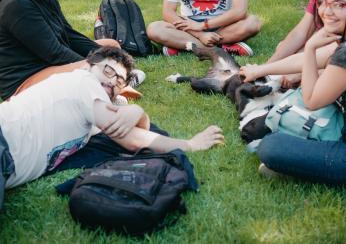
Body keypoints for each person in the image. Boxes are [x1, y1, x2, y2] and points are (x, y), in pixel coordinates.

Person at [0, 46, 224, 209]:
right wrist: (190, 144)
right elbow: (130, 139)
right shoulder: (83, 82)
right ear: (89, 66)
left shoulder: (90, 112)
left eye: (119, 81)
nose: (112, 82)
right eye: (108, 71)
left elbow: (136, 131)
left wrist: (139, 112)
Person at [243, 0, 346, 189]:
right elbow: (308, 61)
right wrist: (261, 69)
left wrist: (310, 47)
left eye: (339, 5)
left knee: (271, 147)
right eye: (323, 3)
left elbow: (312, 100)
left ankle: (303, 171)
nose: (327, 11)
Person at [0, 0, 142, 101]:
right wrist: (101, 65)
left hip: (50, 67)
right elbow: (55, 53)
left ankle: (114, 80)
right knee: (87, 67)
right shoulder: (17, 4)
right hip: (24, 84)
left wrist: (109, 56)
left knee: (112, 46)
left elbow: (71, 36)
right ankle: (117, 86)